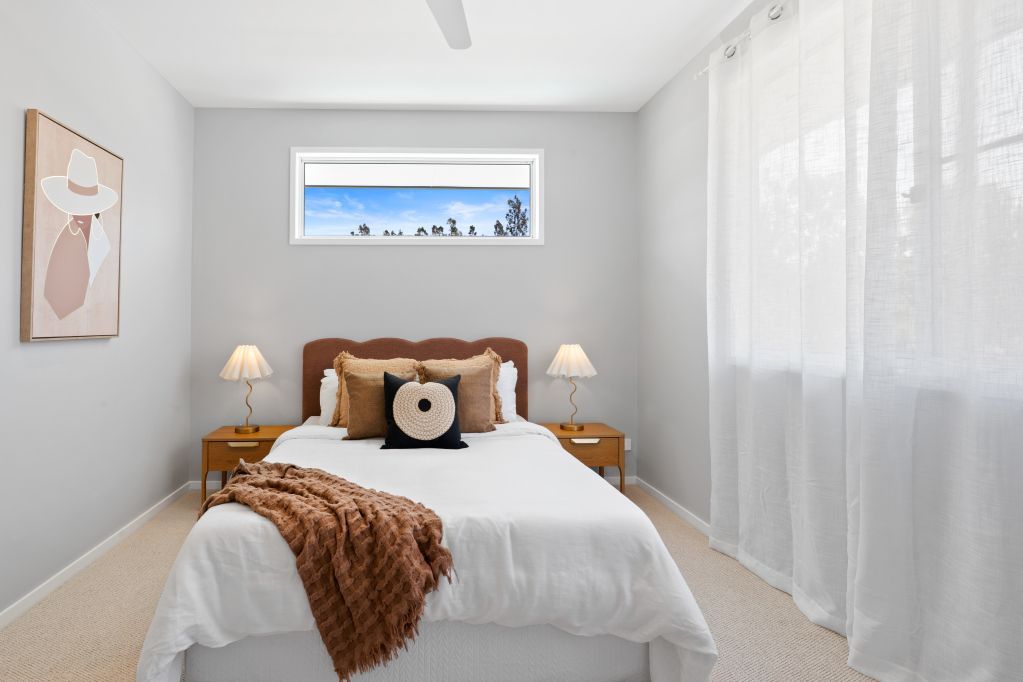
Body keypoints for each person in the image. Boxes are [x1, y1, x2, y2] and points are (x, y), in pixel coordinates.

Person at [40, 149, 118, 319]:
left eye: (86, 206)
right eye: (74, 206)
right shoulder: (65, 241)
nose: (79, 214)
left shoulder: (103, 240)